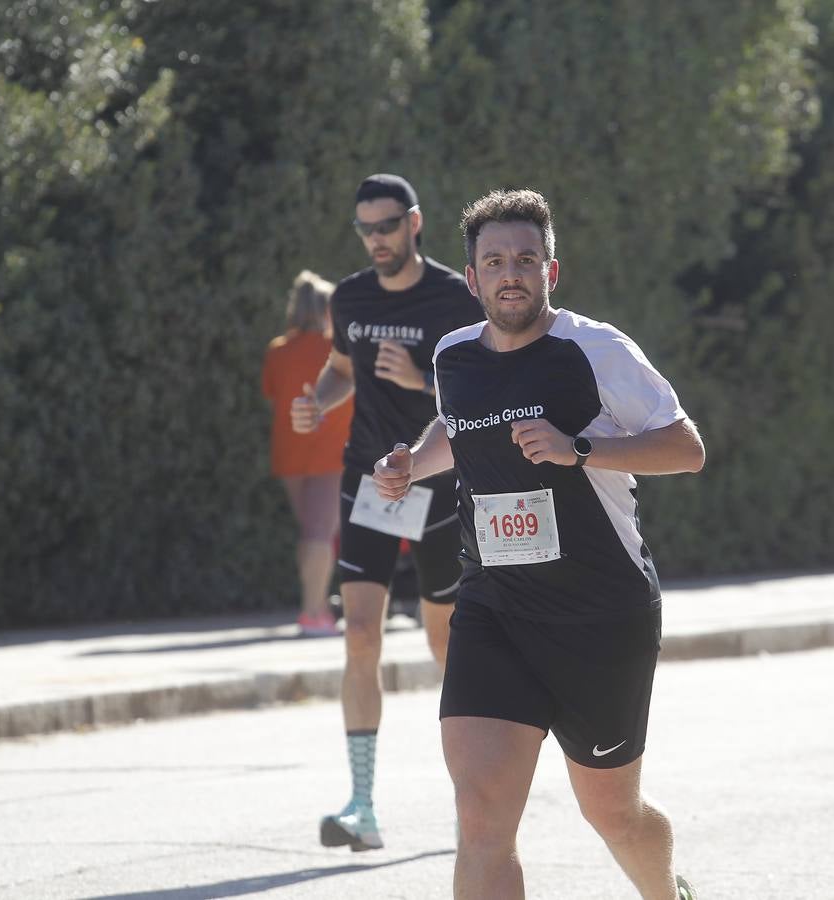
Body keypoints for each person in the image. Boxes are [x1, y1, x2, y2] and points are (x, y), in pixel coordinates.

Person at [372, 189, 705, 899]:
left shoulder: (595, 350)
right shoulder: (455, 356)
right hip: (494, 609)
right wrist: (410, 465)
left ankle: (666, 893)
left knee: (613, 812)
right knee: (481, 814)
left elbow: (686, 446)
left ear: (553, 272)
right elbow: (456, 431)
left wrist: (578, 447)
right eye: (494, 261)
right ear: (473, 279)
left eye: (526, 258)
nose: (511, 272)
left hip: (600, 616)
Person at [291, 174, 482, 851]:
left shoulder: (455, 297)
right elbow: (345, 367)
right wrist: (318, 398)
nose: (376, 239)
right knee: (361, 635)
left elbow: (482, 384)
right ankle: (362, 805)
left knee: (445, 643)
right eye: (366, 228)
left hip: (434, 480)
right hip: (368, 477)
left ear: (415, 222)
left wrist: (421, 381)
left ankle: (473, 801)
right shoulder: (349, 297)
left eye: (387, 226)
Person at [262, 270, 354, 637]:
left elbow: (273, 395)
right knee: (320, 532)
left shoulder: (278, 350)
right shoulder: (337, 347)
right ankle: (313, 612)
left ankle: (313, 607)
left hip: (289, 453)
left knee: (309, 531)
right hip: (331, 453)